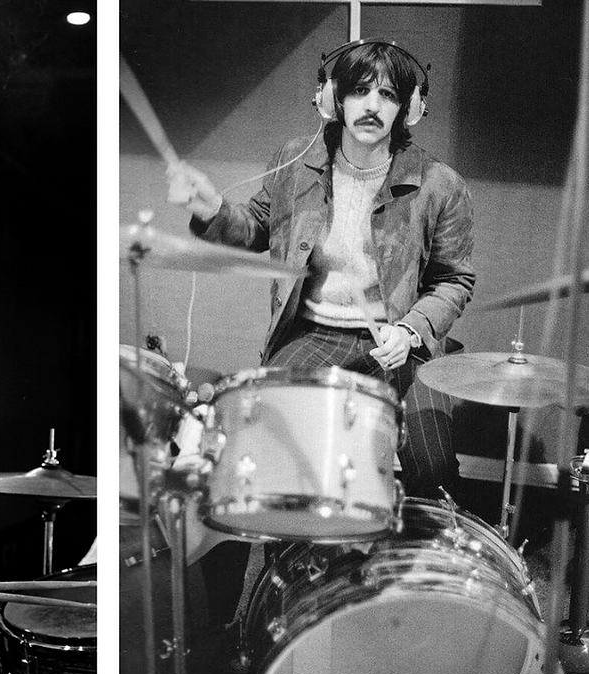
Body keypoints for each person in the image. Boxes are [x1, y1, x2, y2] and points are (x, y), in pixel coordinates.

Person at [168, 39, 476, 500]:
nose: (372, 106)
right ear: (334, 99)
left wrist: (412, 331)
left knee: (430, 464)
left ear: (409, 108)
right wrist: (212, 210)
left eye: (388, 95)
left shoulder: (439, 184)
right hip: (316, 335)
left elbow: (454, 279)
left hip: (399, 342)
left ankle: (418, 566)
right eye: (359, 91)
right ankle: (286, 566)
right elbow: (255, 229)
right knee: (271, 437)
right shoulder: (298, 162)